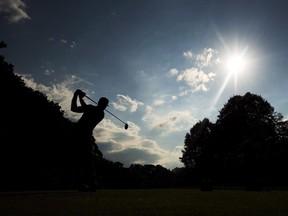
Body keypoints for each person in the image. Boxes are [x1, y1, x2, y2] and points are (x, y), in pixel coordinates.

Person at [70, 89, 109, 192]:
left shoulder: (100, 113)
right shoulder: (93, 109)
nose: (105, 107)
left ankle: (91, 184)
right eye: (104, 105)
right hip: (78, 135)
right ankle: (85, 183)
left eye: (105, 105)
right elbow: (73, 108)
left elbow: (87, 110)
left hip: (85, 136)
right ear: (101, 103)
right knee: (79, 160)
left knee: (87, 160)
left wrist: (79, 97)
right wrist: (75, 96)